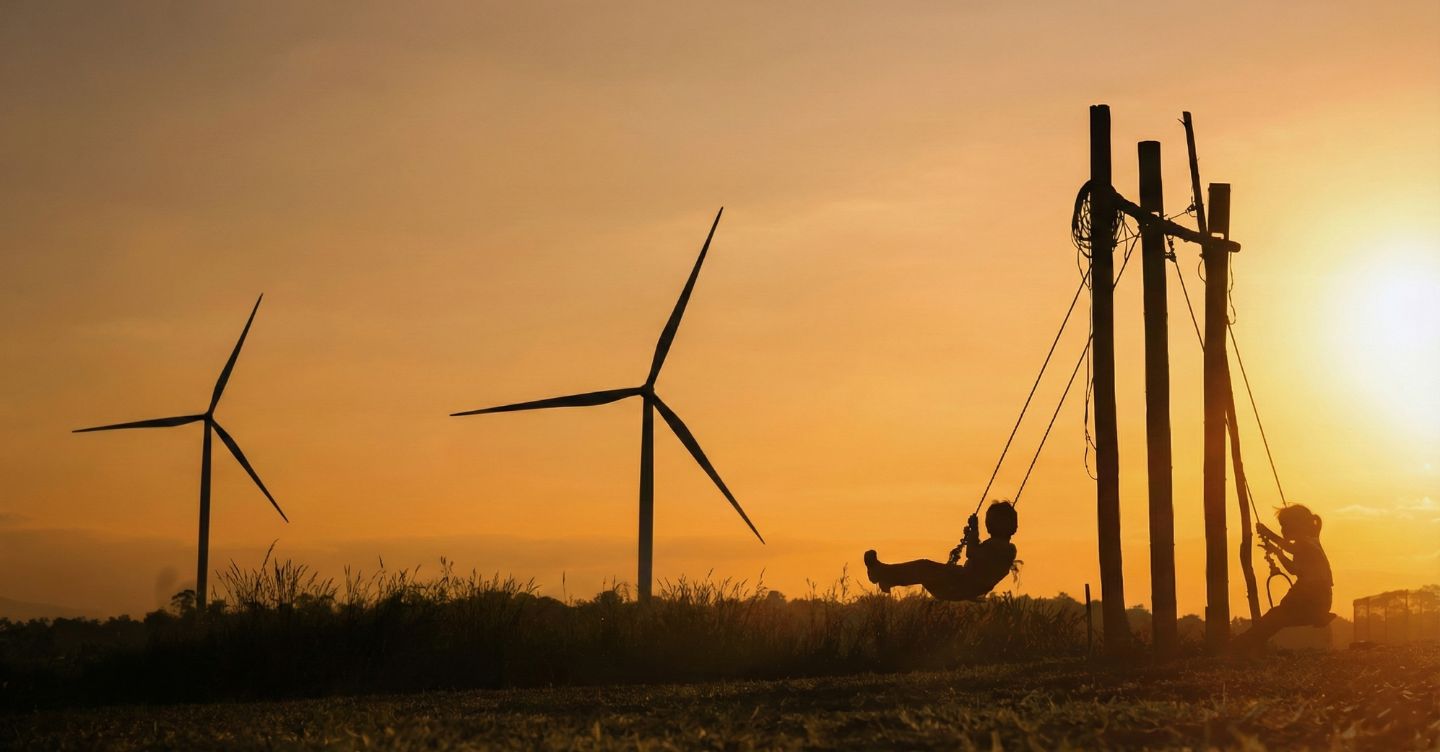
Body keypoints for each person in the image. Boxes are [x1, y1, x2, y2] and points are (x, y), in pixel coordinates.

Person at [1231, 504, 1334, 656]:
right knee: (1275, 618)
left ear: (1298, 525)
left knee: (1275, 618)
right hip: (1315, 598)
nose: (1283, 530)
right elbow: (1293, 570)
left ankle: (1238, 647)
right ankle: (1243, 647)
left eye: (1285, 526)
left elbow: (1290, 549)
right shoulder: (1309, 543)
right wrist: (1277, 553)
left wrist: (1269, 535)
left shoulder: (1306, 543)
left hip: (1312, 598)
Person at [863, 501, 1018, 601]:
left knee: (923, 568)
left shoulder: (1003, 548)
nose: (988, 525)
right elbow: (979, 558)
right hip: (961, 584)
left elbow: (972, 553)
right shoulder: (1002, 547)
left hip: (959, 585)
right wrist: (972, 536)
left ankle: (882, 573)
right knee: (922, 570)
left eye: (989, 522)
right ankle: (886, 577)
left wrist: (974, 532)